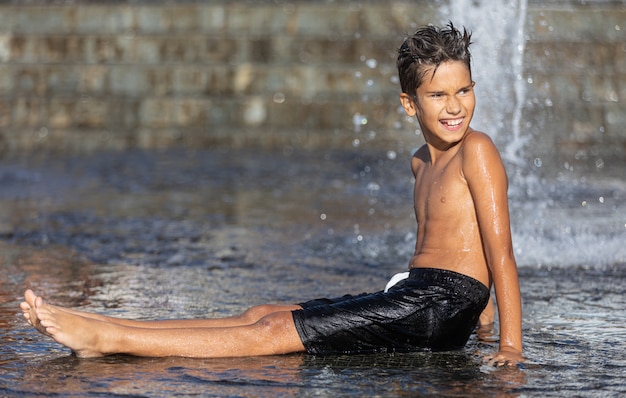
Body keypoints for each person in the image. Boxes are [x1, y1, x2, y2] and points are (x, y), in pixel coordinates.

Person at [20, 23, 523, 366]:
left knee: (272, 337)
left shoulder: (476, 149)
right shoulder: (420, 162)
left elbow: (499, 253)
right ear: (409, 104)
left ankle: (108, 339)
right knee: (261, 314)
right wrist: (480, 323)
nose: (455, 106)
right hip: (418, 294)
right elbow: (451, 244)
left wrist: (509, 346)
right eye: (438, 95)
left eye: (464, 90)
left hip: (438, 305)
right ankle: (106, 321)